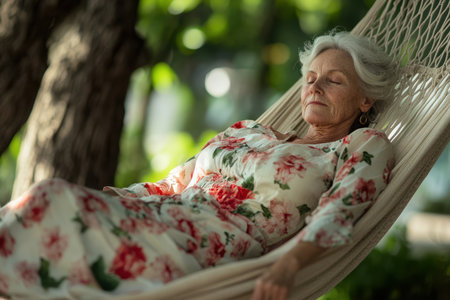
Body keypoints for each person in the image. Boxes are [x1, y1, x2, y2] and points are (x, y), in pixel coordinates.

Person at [0, 31, 396, 300]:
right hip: (156, 215)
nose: (315, 87)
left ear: (365, 100)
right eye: (311, 78)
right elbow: (178, 180)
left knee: (50, 201)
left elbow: (341, 210)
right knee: (50, 199)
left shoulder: (358, 147)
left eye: (334, 80)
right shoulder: (248, 129)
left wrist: (289, 264)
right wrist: (122, 197)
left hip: (206, 245)